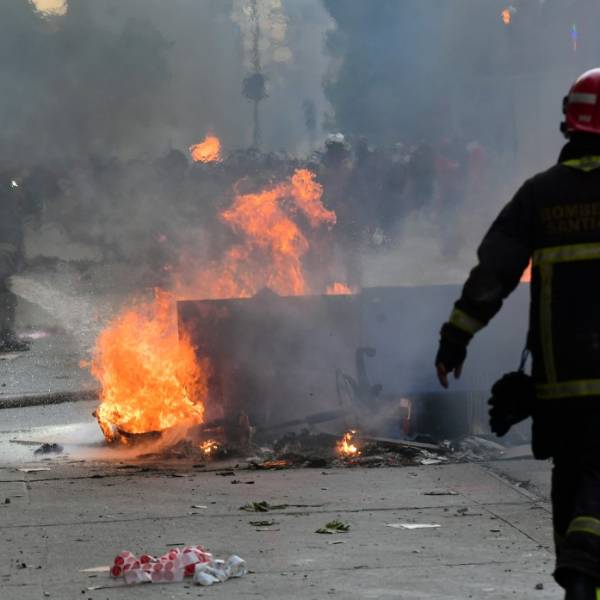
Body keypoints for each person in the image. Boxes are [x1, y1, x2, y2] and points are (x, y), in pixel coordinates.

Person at [434, 68, 600, 599]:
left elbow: (493, 274)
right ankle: (583, 568)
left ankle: (577, 571)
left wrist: (455, 338)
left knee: (572, 486)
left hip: (560, 389)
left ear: (568, 123)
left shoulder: (540, 195)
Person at [0, 171, 29, 353]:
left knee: (7, 293)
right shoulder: (5, 187)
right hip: (4, 246)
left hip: (7, 246)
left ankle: (7, 334)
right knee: (5, 294)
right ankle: (5, 336)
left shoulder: (8, 186)